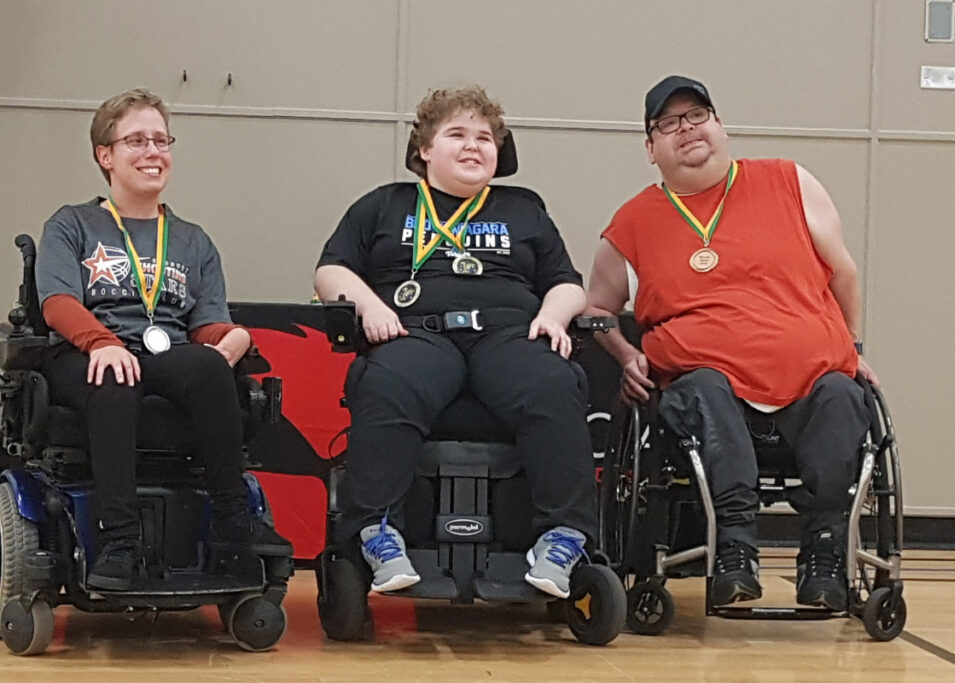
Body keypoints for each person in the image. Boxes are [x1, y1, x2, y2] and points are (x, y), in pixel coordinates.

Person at [586, 75, 877, 611]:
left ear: (720, 126)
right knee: (704, 390)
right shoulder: (632, 222)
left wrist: (852, 350)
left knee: (842, 395)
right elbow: (597, 311)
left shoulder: (789, 181)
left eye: (697, 115)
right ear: (651, 149)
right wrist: (627, 356)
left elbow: (844, 273)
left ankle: (825, 553)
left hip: (811, 377)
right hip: (704, 385)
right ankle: (734, 550)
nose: (686, 129)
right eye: (668, 123)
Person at [314, 86, 597, 599]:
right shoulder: (385, 204)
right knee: (387, 382)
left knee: (555, 384)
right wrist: (370, 306)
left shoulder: (524, 209)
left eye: (484, 138)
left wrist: (553, 316)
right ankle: (377, 532)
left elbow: (567, 283)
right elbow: (331, 270)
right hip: (417, 331)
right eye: (457, 135)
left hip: (508, 334)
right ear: (425, 148)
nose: (473, 146)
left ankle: (563, 537)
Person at [35, 88, 292, 591]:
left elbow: (207, 323)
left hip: (165, 351)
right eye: (136, 141)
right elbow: (58, 302)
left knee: (210, 366)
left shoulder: (193, 240)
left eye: (161, 140)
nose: (153, 152)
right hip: (89, 353)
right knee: (115, 377)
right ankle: (119, 541)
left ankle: (232, 521)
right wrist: (102, 342)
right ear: (105, 155)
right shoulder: (72, 224)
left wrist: (235, 336)